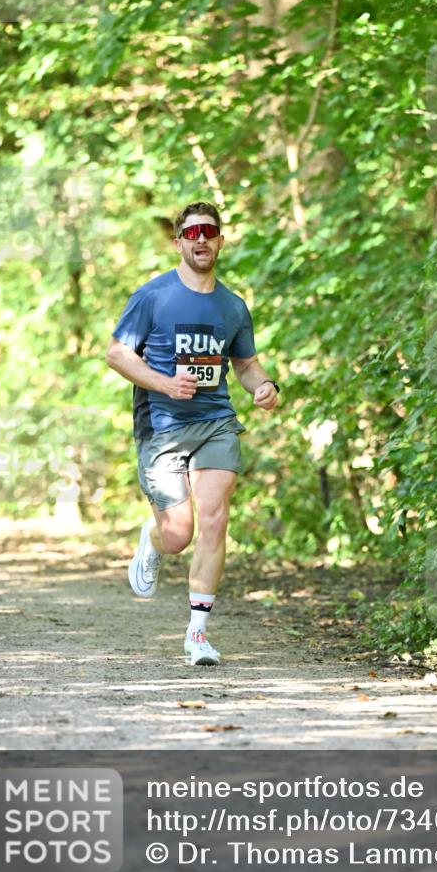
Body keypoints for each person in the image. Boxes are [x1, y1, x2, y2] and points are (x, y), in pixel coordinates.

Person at [106, 201, 279, 665]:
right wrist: (165, 383)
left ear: (220, 241)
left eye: (210, 231)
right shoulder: (153, 296)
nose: (201, 238)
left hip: (216, 421)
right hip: (162, 426)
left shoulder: (232, 306)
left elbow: (244, 363)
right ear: (179, 241)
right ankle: (155, 539)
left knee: (216, 517)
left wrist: (263, 385)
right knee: (179, 533)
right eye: (192, 232)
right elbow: (117, 354)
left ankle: (197, 634)